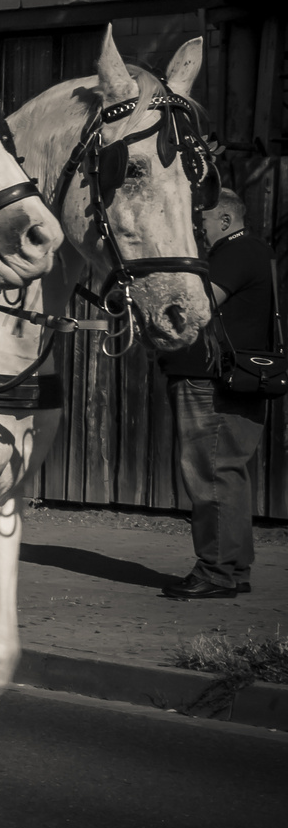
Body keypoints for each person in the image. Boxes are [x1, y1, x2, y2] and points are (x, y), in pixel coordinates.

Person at [160, 188, 278, 599]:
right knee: (227, 474)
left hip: (210, 381)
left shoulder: (235, 252)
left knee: (210, 475)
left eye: (203, 222)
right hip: (235, 378)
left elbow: (198, 306)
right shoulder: (255, 252)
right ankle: (233, 567)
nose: (198, 229)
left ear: (225, 221)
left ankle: (217, 571)